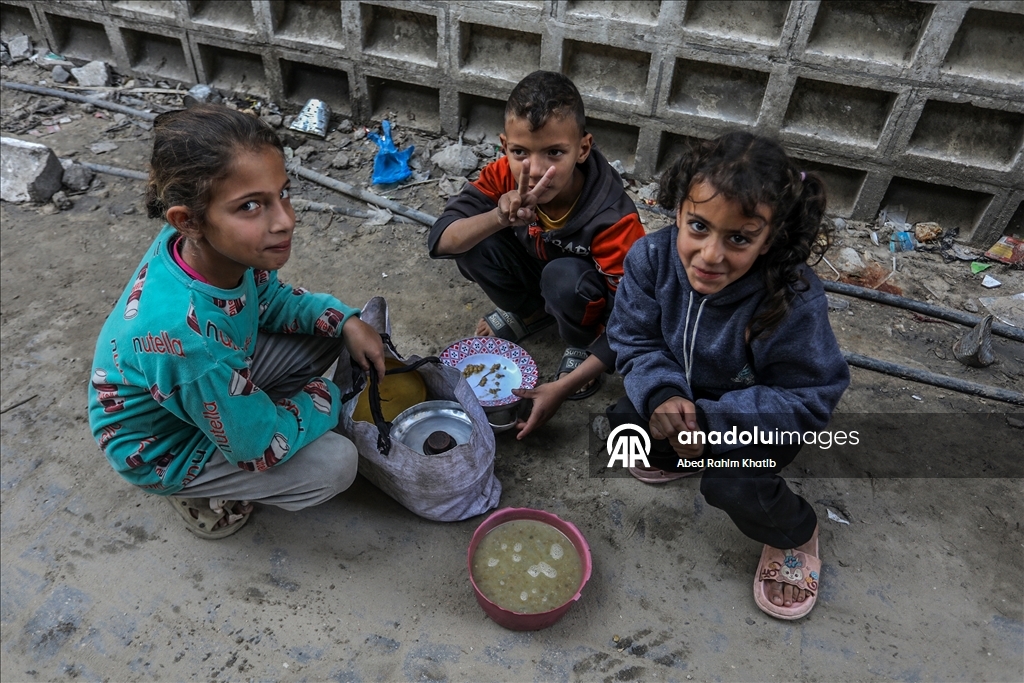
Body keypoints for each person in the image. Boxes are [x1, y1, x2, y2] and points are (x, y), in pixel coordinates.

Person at [88, 104, 386, 539]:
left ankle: (243, 412)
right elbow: (257, 449)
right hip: (165, 448)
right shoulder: (190, 343)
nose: (285, 221)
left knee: (330, 330)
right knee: (334, 464)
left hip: (202, 379)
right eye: (250, 206)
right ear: (187, 220)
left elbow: (268, 298)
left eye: (283, 193)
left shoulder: (203, 247)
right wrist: (329, 397)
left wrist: (345, 321)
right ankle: (196, 490)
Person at [606, 131, 849, 620]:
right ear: (678, 212)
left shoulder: (792, 298)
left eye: (739, 238)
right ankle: (683, 450)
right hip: (687, 398)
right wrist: (663, 395)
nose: (711, 255)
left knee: (732, 483)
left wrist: (711, 423)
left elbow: (808, 399)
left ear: (769, 239)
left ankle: (796, 532)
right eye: (698, 226)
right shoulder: (651, 259)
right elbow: (634, 340)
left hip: (755, 419)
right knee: (622, 424)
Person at [428, 70, 645, 438]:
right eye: (520, 153)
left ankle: (579, 340)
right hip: (536, 274)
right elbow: (441, 239)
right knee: (476, 239)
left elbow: (633, 317)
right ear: (504, 147)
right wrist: (498, 217)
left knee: (563, 278)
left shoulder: (613, 218)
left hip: (584, 298)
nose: (536, 170)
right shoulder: (503, 175)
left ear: (583, 149)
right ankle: (530, 312)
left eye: (554, 152)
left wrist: (571, 378)